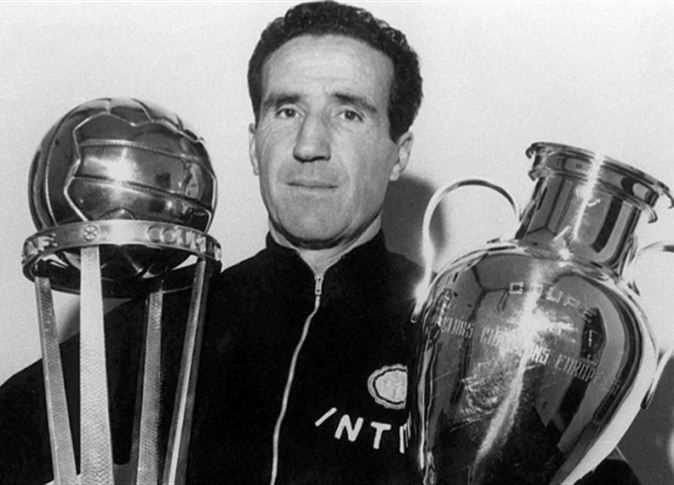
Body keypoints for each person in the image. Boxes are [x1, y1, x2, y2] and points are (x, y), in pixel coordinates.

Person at [0, 2, 645, 484]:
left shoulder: (465, 330)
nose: (310, 145)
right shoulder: (173, 319)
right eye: (286, 110)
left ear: (399, 153)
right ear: (253, 142)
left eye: (348, 112)